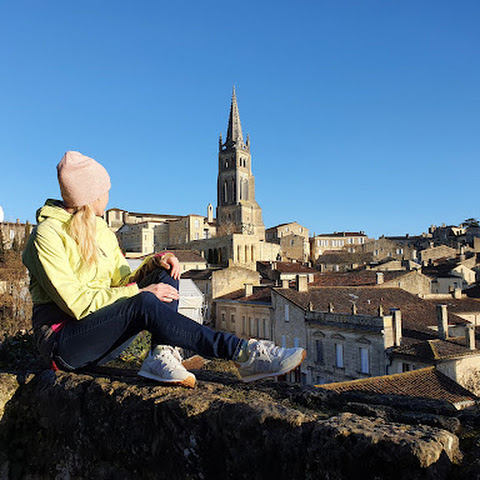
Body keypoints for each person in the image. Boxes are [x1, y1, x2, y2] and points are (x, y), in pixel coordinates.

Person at [22, 151, 305, 388]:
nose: (109, 194)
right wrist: (140, 290)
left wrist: (154, 264)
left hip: (103, 336)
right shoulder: (45, 236)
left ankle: (161, 354)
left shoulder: (101, 231)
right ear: (92, 194)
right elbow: (78, 305)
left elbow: (123, 281)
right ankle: (242, 352)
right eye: (104, 189)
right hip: (65, 345)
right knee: (145, 299)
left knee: (167, 273)